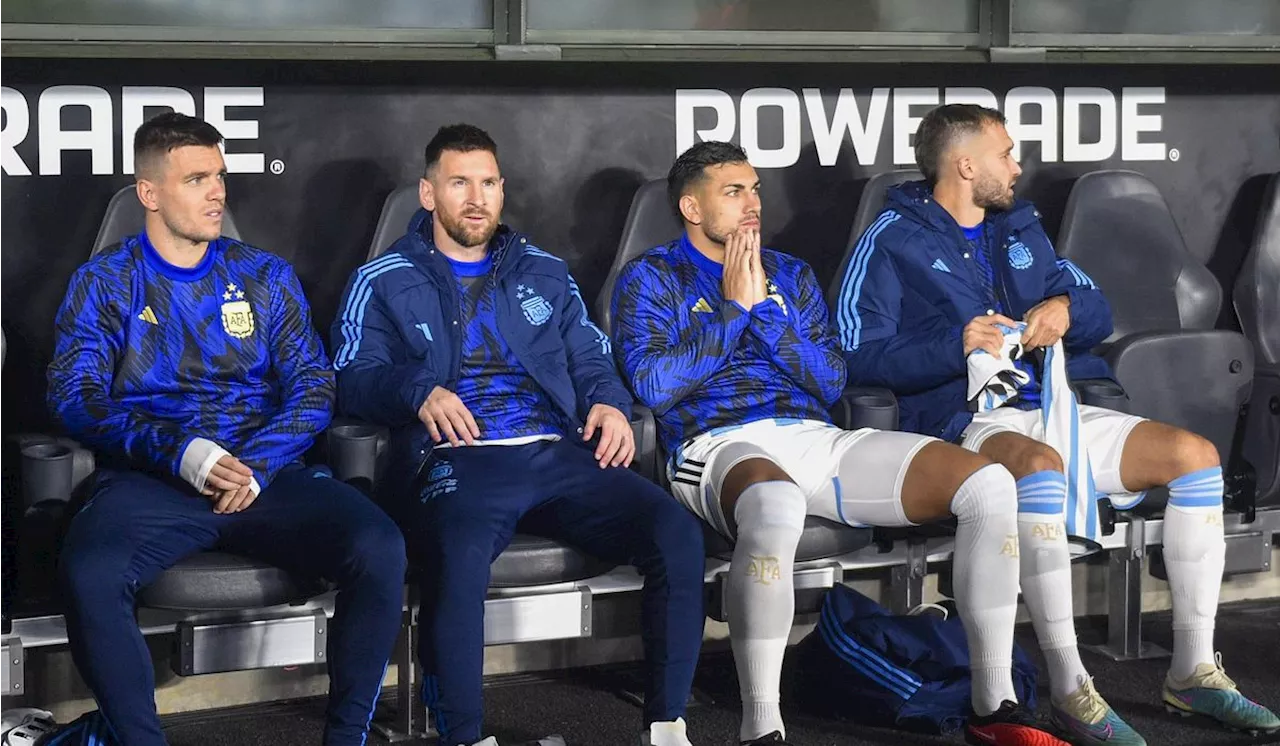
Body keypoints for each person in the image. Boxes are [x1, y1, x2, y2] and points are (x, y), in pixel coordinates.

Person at [836, 102, 1280, 744]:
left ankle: (1192, 672)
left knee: (1195, 456)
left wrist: (1065, 309)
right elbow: (853, 355)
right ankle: (1073, 689)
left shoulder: (1021, 228)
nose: (1018, 167)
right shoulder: (890, 239)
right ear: (965, 164)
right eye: (1005, 154)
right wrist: (954, 345)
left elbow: (1096, 302)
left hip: (1055, 405)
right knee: (1040, 468)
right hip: (964, 421)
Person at [611, 140, 1067, 746]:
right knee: (776, 505)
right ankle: (761, 726)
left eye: (755, 190)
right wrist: (731, 311)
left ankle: (993, 706)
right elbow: (655, 385)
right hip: (714, 444)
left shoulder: (791, 274)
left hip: (813, 435)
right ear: (692, 208)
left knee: (987, 484)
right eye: (734, 192)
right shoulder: (649, 277)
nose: (753, 204)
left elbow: (830, 380)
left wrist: (766, 315)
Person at [330, 124, 707, 746]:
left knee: (674, 532)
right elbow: (348, 379)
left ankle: (666, 727)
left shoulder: (544, 272)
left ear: (502, 190)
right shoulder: (384, 279)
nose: (476, 198)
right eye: (459, 183)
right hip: (457, 457)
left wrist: (611, 404)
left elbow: (590, 356)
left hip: (557, 450)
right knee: (458, 554)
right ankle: (466, 736)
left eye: (487, 183)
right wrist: (416, 390)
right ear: (428, 194)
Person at [47, 112, 406, 746]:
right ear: (149, 194)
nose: (218, 192)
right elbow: (75, 398)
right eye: (196, 178)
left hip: (265, 475)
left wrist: (258, 464)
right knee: (90, 570)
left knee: (379, 545)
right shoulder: (104, 283)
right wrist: (183, 454)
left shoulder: (264, 277)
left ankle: (346, 738)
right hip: (153, 479)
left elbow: (313, 385)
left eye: (219, 175)